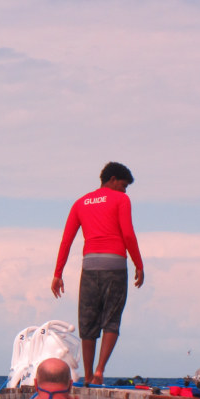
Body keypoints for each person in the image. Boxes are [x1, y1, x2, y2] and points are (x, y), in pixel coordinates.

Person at [51, 161, 145, 385]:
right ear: (112, 180)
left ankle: (88, 373)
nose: (124, 190)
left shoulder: (80, 203)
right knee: (111, 320)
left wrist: (58, 273)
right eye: (123, 185)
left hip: (90, 266)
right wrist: (139, 264)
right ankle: (100, 370)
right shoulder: (121, 199)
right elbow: (128, 235)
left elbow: (67, 240)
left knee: (88, 322)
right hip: (115, 265)